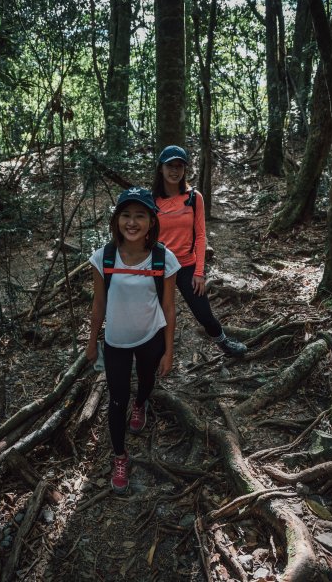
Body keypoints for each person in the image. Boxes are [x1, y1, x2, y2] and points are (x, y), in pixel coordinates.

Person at [86, 187, 180, 494]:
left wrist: (169, 349)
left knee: (147, 380)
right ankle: (120, 456)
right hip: (115, 342)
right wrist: (91, 342)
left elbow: (168, 306)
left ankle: (141, 404)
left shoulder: (163, 259)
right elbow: (98, 304)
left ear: (151, 222)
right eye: (126, 215)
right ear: (116, 220)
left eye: (140, 215)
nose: (132, 222)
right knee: (116, 399)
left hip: (151, 336)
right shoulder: (104, 257)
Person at [152, 145, 247, 357]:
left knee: (203, 312)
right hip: (158, 267)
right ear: (161, 168)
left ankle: (224, 344)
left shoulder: (194, 198)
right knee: (154, 313)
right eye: (170, 166)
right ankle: (153, 355)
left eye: (179, 166)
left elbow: (201, 235)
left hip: (187, 265)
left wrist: (199, 272)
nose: (174, 171)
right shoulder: (151, 201)